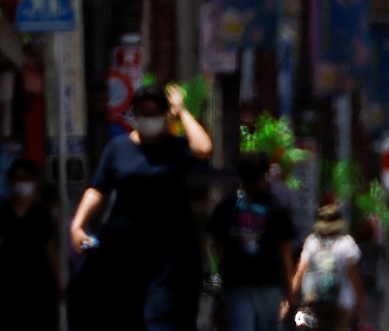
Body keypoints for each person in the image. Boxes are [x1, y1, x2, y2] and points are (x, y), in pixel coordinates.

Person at [69, 84, 213, 330]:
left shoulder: (175, 147)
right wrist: (78, 224)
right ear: (134, 114)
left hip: (170, 253)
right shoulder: (118, 148)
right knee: (123, 317)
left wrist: (182, 111)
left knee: (161, 319)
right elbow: (99, 188)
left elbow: (203, 148)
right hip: (124, 251)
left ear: (164, 114)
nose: (148, 119)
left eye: (154, 113)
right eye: (143, 112)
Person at [207, 150, 298, 331]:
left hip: (237, 282)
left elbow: (215, 241)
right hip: (269, 282)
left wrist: (224, 266)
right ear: (265, 173)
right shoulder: (276, 208)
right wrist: (290, 289)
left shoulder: (228, 205)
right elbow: (284, 250)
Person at [0, 158, 61, 330]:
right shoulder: (3, 211)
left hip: (39, 282)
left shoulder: (41, 213)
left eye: (26, 180)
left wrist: (59, 280)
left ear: (35, 182)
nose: (22, 184)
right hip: (9, 282)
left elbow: (50, 247)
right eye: (18, 179)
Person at [291, 204, 368, 331]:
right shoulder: (346, 242)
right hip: (342, 301)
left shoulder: (312, 241)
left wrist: (291, 294)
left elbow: (301, 270)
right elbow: (353, 274)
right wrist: (361, 297)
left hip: (315, 299)